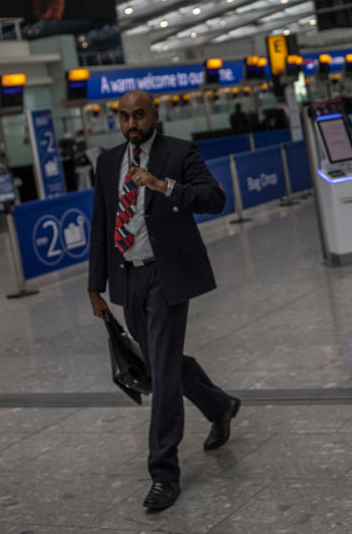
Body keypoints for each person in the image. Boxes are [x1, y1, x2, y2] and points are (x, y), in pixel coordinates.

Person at [87, 89, 239, 512]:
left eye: (139, 115)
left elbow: (214, 198)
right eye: (124, 117)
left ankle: (163, 473)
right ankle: (219, 404)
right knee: (160, 362)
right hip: (128, 277)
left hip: (166, 275)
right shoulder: (107, 163)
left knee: (164, 373)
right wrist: (93, 286)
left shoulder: (178, 153)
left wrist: (161, 184)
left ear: (155, 115)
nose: (132, 124)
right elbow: (101, 224)